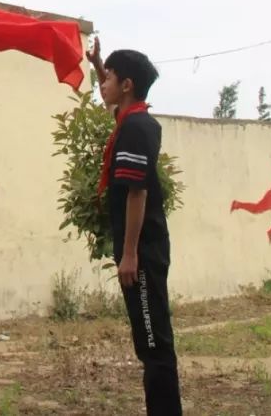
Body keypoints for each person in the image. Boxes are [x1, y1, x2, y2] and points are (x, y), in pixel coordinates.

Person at [92, 39, 182, 415]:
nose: (103, 84)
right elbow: (113, 102)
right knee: (149, 341)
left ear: (126, 84)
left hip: (141, 251)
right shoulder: (132, 119)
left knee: (153, 342)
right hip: (142, 248)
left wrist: (129, 254)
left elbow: (136, 193)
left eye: (109, 78)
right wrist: (99, 63)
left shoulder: (136, 129)